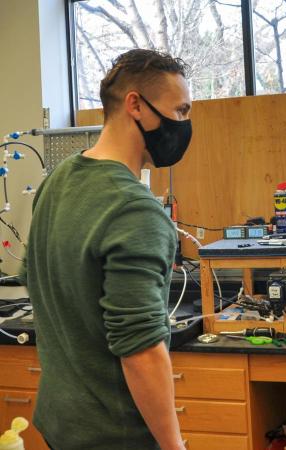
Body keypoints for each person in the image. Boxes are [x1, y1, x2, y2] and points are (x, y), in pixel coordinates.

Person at [23, 49, 193, 450]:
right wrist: (173, 446)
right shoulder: (134, 209)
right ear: (135, 104)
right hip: (115, 437)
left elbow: (34, 280)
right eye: (181, 111)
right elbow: (141, 350)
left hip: (60, 423)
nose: (184, 125)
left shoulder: (57, 180)